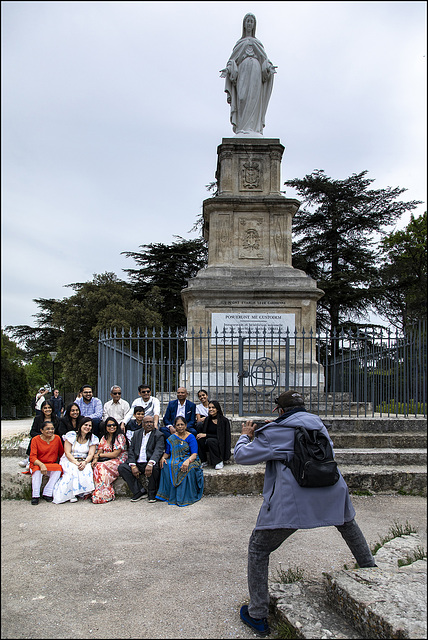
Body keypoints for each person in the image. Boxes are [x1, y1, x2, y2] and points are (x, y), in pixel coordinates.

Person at [234, 390, 377, 637]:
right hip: (331, 489)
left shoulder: (274, 432)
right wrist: (274, 427)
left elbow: (241, 456)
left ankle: (257, 613)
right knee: (348, 526)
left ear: (279, 410)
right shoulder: (318, 424)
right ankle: (374, 574)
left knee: (258, 548)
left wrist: (246, 436)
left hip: (296, 499)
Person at [220, 13, 276, 136]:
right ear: (244, 24)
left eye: (251, 22)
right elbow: (232, 60)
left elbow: (264, 60)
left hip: (255, 72)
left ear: (254, 25)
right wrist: (229, 68)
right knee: (242, 98)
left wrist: (268, 67)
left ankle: (254, 129)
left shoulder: (258, 43)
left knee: (254, 98)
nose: (249, 24)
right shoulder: (240, 43)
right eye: (248, 21)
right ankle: (242, 127)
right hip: (243, 73)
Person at [156, 416, 204, 507]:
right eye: (178, 425)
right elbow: (167, 452)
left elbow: (194, 454)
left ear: (186, 425)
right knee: (166, 465)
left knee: (187, 468)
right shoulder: (171, 438)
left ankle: (184, 496)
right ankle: (169, 494)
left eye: (182, 424)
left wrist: (187, 461)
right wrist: (163, 458)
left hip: (190, 459)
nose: (180, 427)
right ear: (175, 426)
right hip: (175, 458)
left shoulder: (191, 437)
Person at [118, 415, 165, 503]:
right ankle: (139, 491)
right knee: (122, 468)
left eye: (151, 422)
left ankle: (152, 492)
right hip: (138, 463)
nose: (149, 424)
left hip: (149, 462)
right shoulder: (137, 433)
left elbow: (158, 451)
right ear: (142, 424)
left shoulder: (159, 435)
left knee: (155, 468)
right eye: (147, 422)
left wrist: (150, 463)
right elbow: (131, 450)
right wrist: (133, 465)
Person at [52, 416, 99, 504]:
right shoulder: (71, 435)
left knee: (86, 469)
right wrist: (76, 463)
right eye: (85, 425)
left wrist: (84, 462)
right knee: (72, 471)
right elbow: (67, 452)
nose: (87, 427)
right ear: (81, 425)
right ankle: (71, 494)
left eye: (89, 426)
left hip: (84, 460)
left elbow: (91, 454)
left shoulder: (92, 438)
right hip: (70, 459)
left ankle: (80, 493)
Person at [91, 417, 128, 504]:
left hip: (119, 461)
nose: (112, 427)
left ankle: (106, 493)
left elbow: (115, 454)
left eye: (114, 425)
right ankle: (101, 492)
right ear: (105, 427)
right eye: (109, 425)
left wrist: (100, 455)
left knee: (101, 466)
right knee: (97, 466)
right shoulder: (104, 437)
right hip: (107, 461)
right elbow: (99, 450)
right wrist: (95, 459)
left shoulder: (120, 437)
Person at [28, 421, 64, 505]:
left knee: (58, 469)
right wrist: (41, 465)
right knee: (36, 470)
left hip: (51, 464)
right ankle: (35, 495)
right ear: (42, 430)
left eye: (52, 429)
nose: (50, 431)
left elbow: (61, 453)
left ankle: (47, 492)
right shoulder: (35, 439)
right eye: (47, 429)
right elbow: (32, 457)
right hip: (37, 464)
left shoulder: (57, 438)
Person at [19, 400, 61, 469]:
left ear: (52, 408)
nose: (47, 409)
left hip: (52, 439)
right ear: (42, 409)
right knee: (34, 439)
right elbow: (32, 432)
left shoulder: (57, 419)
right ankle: (29, 459)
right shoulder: (37, 419)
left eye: (49, 407)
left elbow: (59, 433)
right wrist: (42, 436)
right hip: (40, 439)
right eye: (45, 408)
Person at [196, 400, 231, 470]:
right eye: (209, 408)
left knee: (210, 440)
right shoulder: (207, 420)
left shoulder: (224, 421)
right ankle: (204, 460)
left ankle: (218, 461)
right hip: (209, 441)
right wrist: (203, 435)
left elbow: (222, 437)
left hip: (220, 443)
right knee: (200, 438)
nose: (211, 409)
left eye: (213, 407)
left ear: (217, 409)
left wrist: (206, 435)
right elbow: (205, 433)